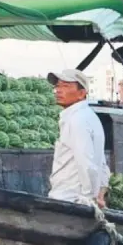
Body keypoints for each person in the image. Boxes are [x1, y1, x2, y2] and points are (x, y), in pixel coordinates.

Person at [47, 68, 110, 208]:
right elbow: (101, 161)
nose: (58, 90)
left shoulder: (77, 120)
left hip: (69, 201)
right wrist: (100, 191)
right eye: (57, 86)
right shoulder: (89, 117)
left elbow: (86, 163)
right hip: (74, 200)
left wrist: (89, 197)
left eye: (66, 86)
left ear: (81, 94)